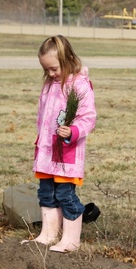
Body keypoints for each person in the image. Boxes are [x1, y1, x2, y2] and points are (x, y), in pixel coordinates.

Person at [22, 35, 97, 253]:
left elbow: (88, 118)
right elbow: (42, 117)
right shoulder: (49, 85)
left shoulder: (80, 85)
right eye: (47, 70)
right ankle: (48, 234)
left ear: (68, 59)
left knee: (65, 194)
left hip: (66, 152)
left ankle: (71, 240)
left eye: (54, 68)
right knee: (46, 193)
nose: (51, 74)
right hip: (46, 151)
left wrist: (73, 131)